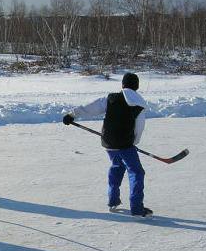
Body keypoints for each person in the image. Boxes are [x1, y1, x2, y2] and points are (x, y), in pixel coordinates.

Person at [63, 72, 152, 218]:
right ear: (137, 86)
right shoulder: (139, 104)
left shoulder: (110, 98)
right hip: (125, 144)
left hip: (109, 142)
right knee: (136, 172)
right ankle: (136, 208)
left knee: (117, 166)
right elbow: (139, 127)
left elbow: (91, 107)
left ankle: (113, 201)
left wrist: (72, 114)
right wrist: (133, 143)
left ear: (122, 85)